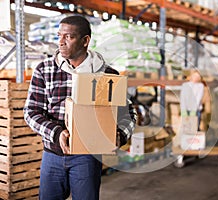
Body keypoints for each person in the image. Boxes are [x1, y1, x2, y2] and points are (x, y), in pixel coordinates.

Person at [24, 15, 136, 200]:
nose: (60, 42)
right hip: (52, 156)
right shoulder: (44, 70)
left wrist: (120, 134)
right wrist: (57, 132)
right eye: (59, 35)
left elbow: (129, 113)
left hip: (87, 158)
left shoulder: (106, 75)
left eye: (68, 37)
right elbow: (31, 112)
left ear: (85, 41)